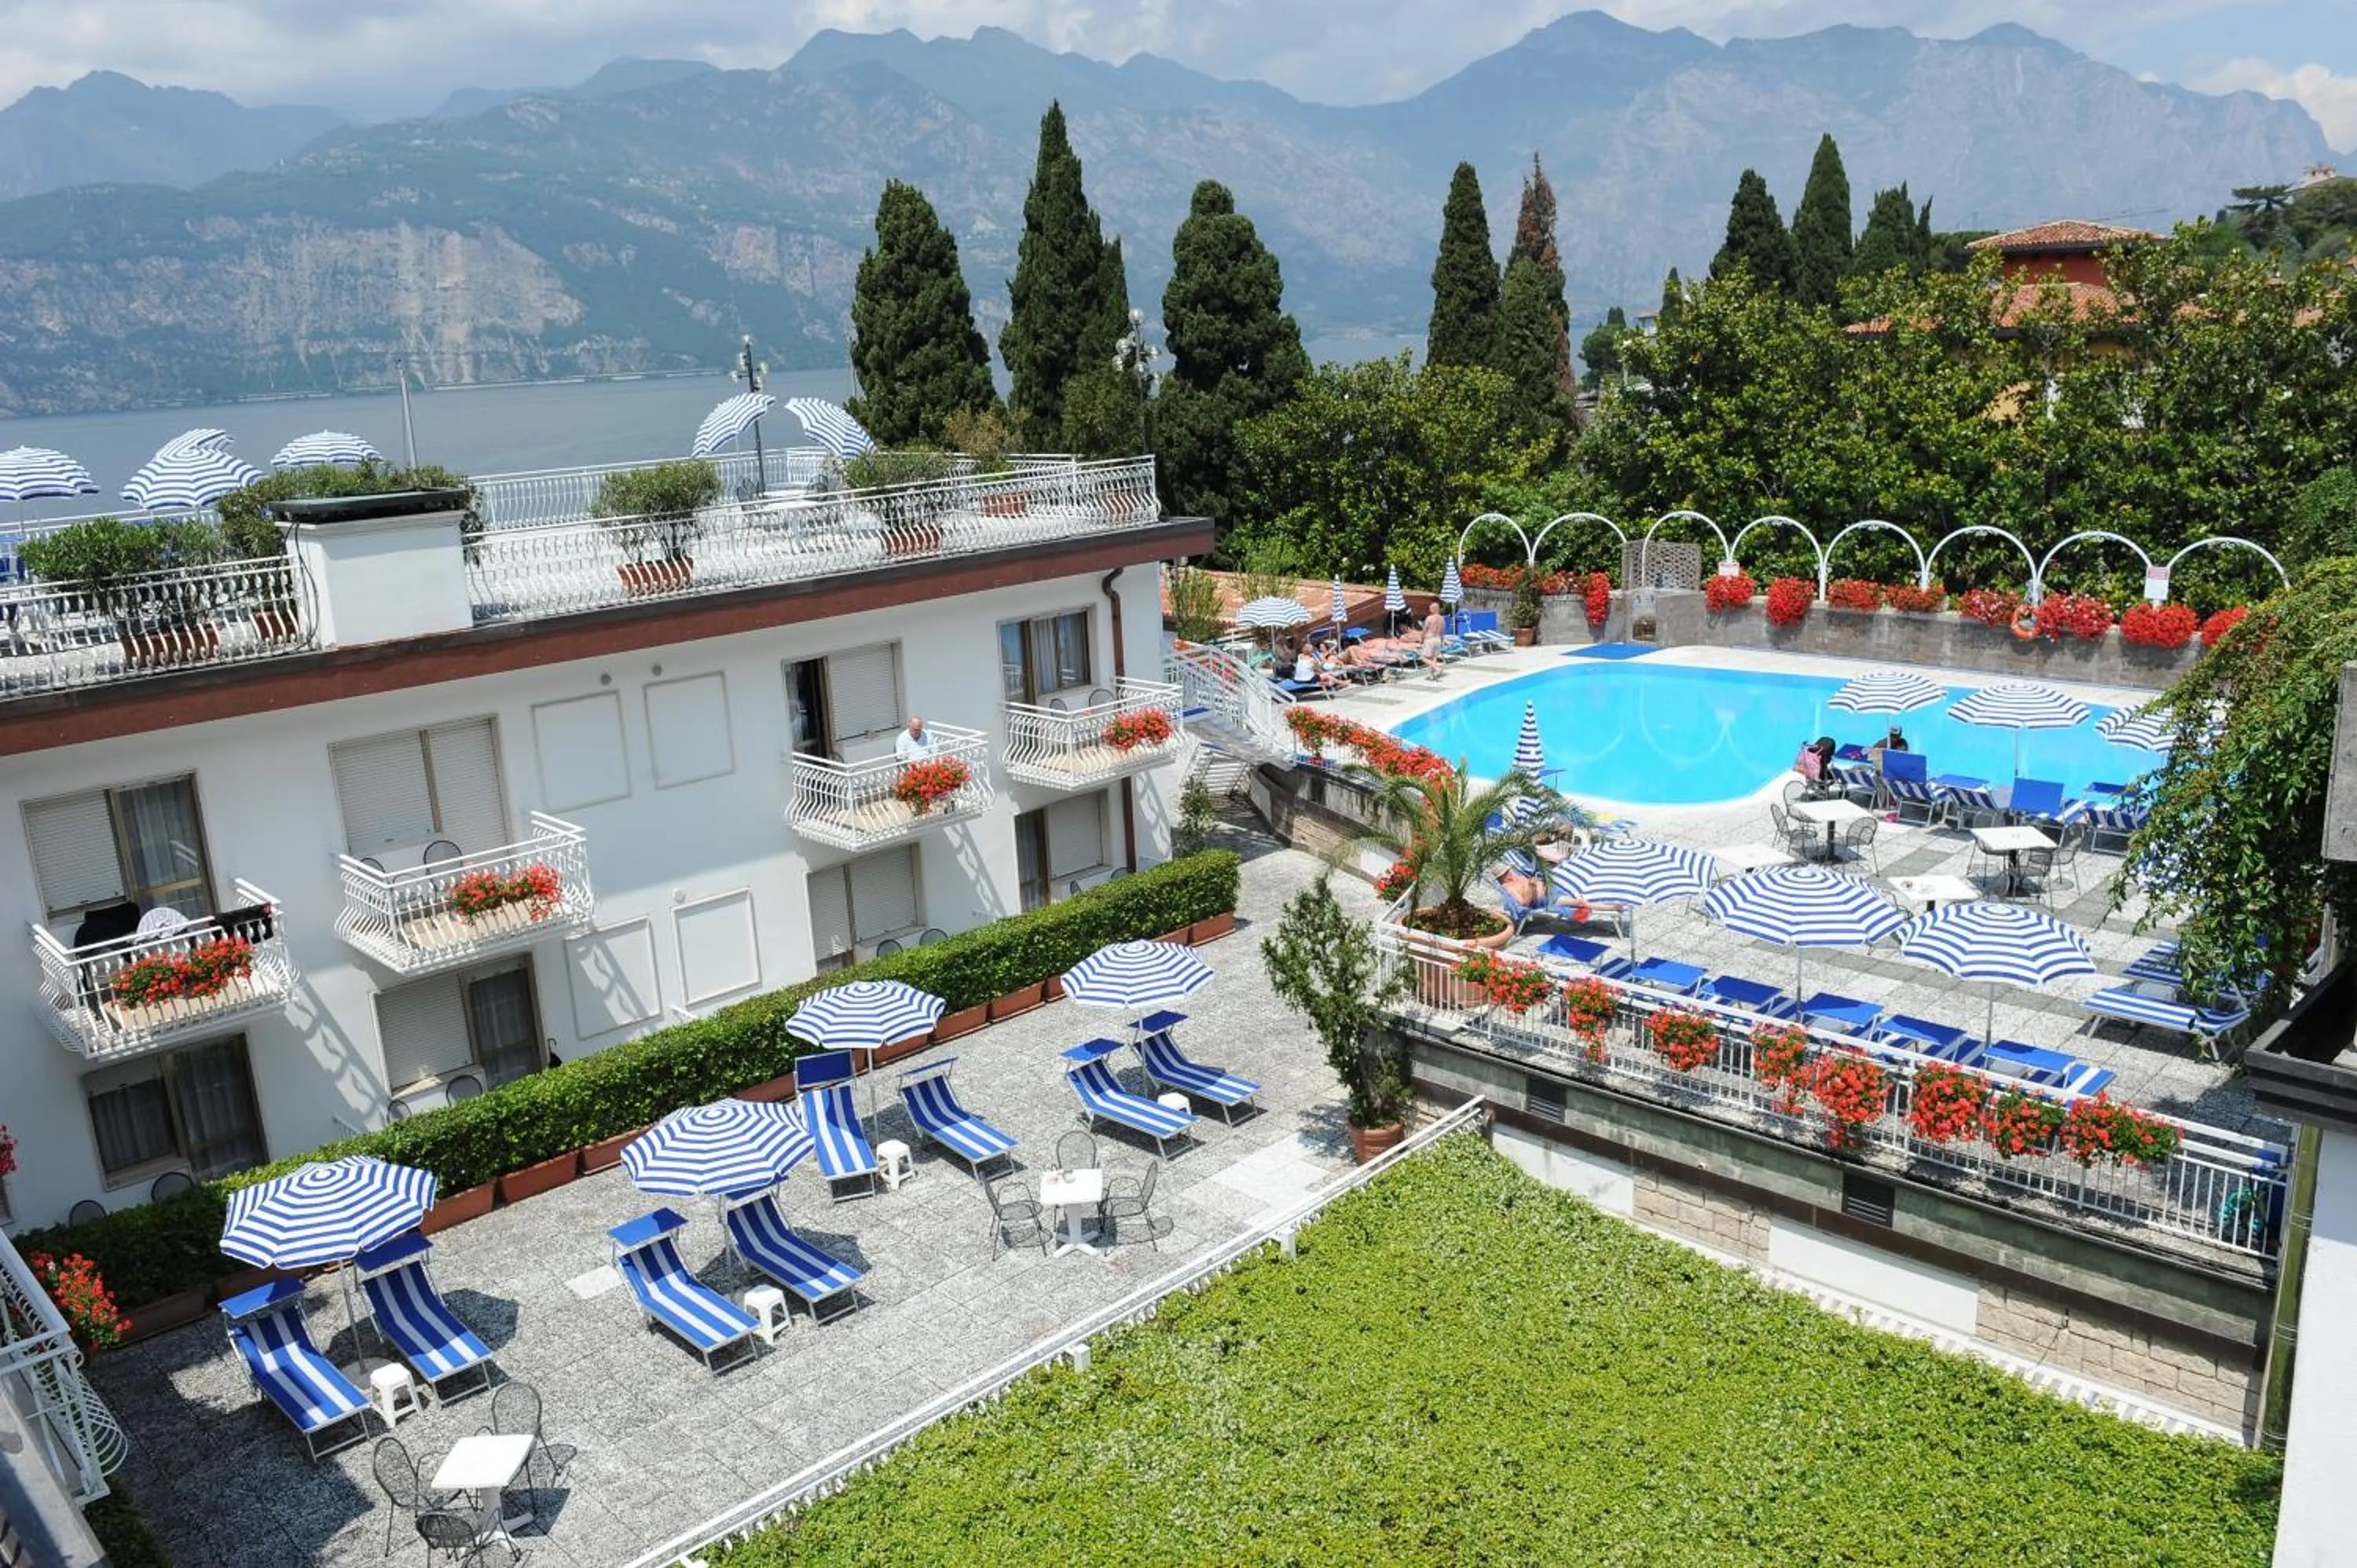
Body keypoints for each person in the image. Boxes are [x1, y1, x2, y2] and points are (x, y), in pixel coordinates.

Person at [1420, 604, 1447, 679]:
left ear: (1435, 609)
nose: (1429, 610)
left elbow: (1424, 630)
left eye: (1430, 608)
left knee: (1423, 658)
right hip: (1438, 639)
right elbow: (1442, 631)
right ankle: (1432, 675)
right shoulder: (1442, 619)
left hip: (1430, 639)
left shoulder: (1429, 618)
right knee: (1434, 658)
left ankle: (1437, 669)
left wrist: (1422, 640)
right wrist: (1442, 641)